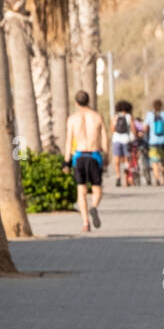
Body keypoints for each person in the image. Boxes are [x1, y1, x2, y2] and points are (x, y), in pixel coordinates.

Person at [63, 90, 108, 231]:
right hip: (94, 155)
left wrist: (66, 161)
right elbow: (105, 138)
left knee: (81, 190)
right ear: (89, 101)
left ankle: (85, 222)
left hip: (79, 156)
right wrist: (106, 156)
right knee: (97, 188)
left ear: (76, 103)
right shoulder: (97, 117)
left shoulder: (72, 119)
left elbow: (69, 141)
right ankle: (94, 206)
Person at [143, 98, 164, 186]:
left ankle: (157, 178)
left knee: (154, 161)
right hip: (163, 141)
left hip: (153, 141)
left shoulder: (149, 115)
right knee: (162, 160)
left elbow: (145, 128)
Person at [110, 99, 133, 187]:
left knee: (117, 160)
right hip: (126, 140)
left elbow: (112, 128)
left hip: (116, 140)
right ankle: (126, 180)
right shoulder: (128, 116)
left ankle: (118, 177)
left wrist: (115, 135)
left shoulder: (115, 116)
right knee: (126, 161)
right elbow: (133, 129)